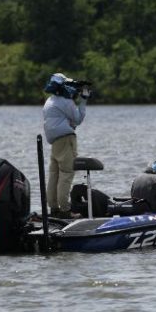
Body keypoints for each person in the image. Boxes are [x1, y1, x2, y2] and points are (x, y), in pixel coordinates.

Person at [42, 73, 90, 219]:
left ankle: (54, 208)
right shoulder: (65, 102)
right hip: (66, 140)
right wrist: (83, 100)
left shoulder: (49, 101)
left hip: (54, 142)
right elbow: (78, 119)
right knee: (66, 174)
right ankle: (65, 210)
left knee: (54, 175)